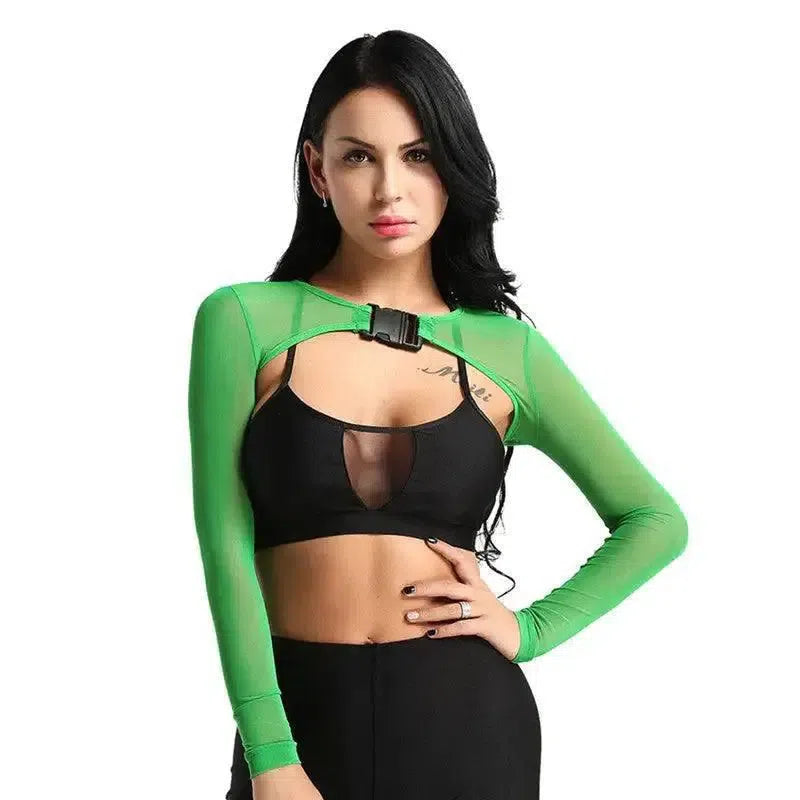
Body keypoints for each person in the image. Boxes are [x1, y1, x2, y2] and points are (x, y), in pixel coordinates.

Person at [187, 30, 688, 800]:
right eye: (360, 156)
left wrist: (531, 628)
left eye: (418, 156)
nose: (390, 189)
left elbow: (655, 520)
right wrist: (270, 755)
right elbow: (225, 543)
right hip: (296, 728)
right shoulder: (244, 320)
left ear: (453, 167)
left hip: (468, 724)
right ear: (318, 171)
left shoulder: (510, 351)